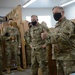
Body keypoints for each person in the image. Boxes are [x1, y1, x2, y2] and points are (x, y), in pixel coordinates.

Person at [41, 6, 75, 75]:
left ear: (62, 13)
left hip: (67, 57)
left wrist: (48, 35)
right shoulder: (57, 25)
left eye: (56, 13)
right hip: (59, 56)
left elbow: (63, 38)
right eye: (53, 13)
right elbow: (53, 37)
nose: (54, 15)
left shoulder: (68, 24)